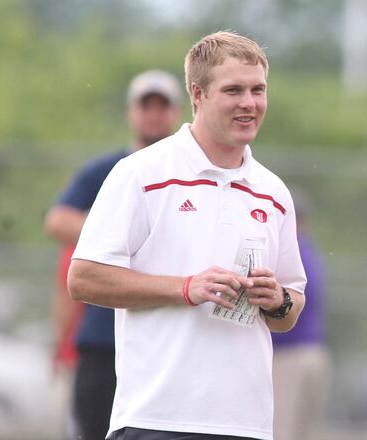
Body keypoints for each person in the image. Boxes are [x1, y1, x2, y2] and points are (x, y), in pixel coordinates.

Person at [68, 31, 306, 440]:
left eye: (257, 89)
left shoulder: (274, 192)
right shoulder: (141, 173)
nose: (249, 103)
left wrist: (278, 299)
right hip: (157, 419)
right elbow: (84, 278)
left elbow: (290, 310)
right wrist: (187, 287)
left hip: (247, 424)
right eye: (233, 90)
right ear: (197, 94)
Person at [45, 69, 183, 440]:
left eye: (163, 106)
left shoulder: (188, 171)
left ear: (178, 112)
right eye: (146, 106)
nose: (154, 114)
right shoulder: (110, 170)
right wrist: (123, 235)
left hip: (167, 338)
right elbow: (58, 221)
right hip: (104, 335)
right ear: (131, 113)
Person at [270, 191, 330, 440]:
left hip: (289, 355)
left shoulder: (293, 253)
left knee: (280, 431)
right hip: (310, 352)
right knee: (302, 431)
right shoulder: (308, 250)